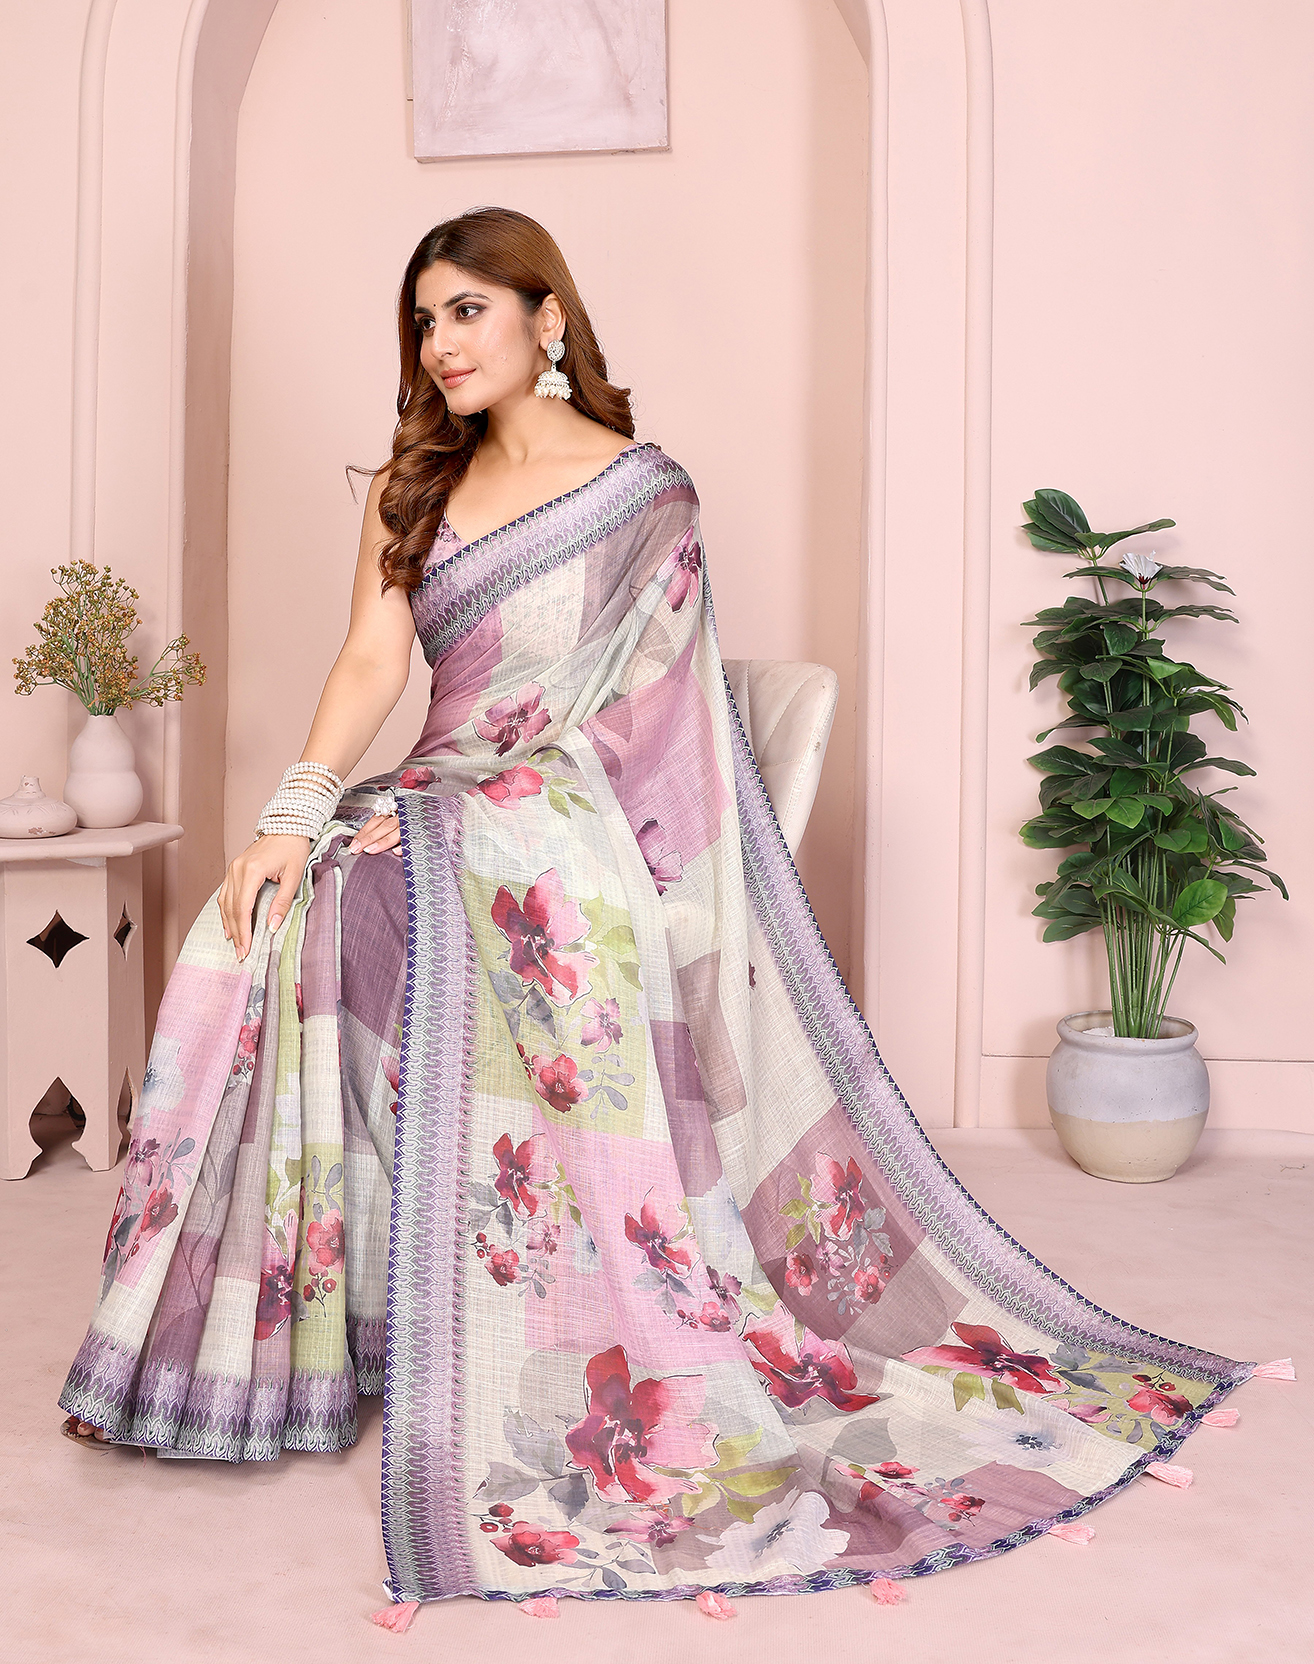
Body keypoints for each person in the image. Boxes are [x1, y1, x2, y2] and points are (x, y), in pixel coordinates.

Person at [58, 206, 1252, 1620]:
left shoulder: (643, 494)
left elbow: (644, 719)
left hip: (566, 823)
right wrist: (295, 807)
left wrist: (481, 805)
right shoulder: (410, 486)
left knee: (397, 884)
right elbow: (373, 655)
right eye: (424, 320)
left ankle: (498, 1301)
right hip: (439, 795)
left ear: (546, 318)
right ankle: (320, 1331)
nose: (441, 343)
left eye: (468, 310)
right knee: (284, 903)